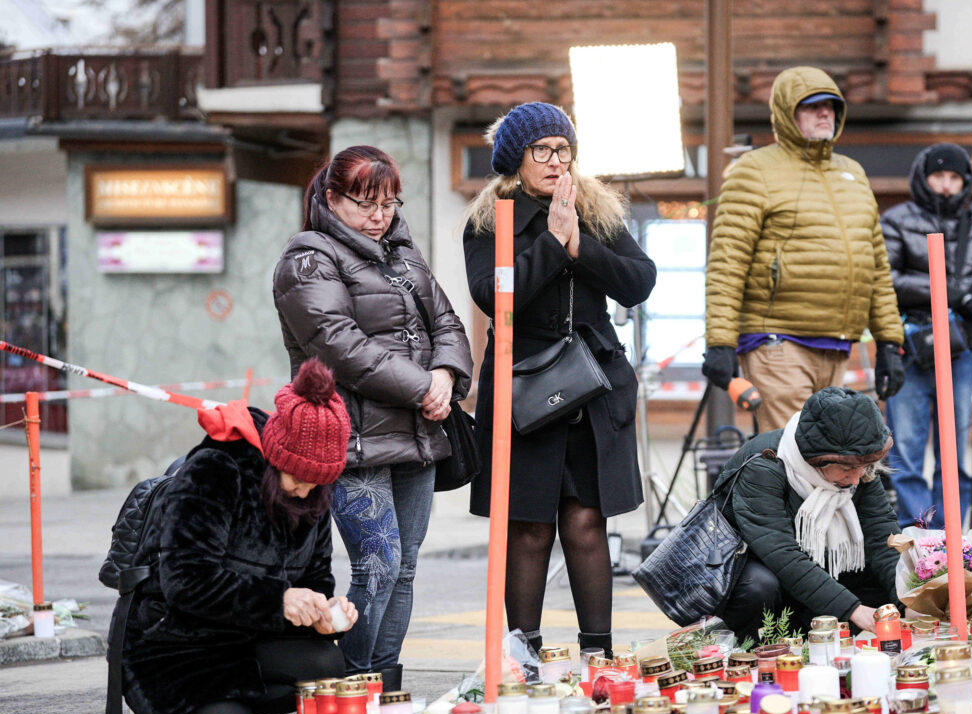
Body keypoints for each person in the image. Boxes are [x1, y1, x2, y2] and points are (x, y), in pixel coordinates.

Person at [461, 102, 656, 658]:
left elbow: (640, 281)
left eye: (562, 149)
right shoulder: (488, 219)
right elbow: (493, 295)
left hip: (593, 387)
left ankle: (599, 653)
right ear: (515, 159)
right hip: (525, 391)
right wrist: (550, 242)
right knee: (527, 528)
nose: (553, 160)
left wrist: (579, 245)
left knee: (587, 521)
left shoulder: (595, 209)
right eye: (539, 150)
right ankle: (524, 656)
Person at [273, 146, 473, 678]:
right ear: (331, 198)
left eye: (388, 203)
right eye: (365, 204)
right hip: (354, 440)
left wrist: (447, 378)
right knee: (378, 567)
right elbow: (339, 345)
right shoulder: (309, 258)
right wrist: (422, 388)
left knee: (404, 570)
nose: (379, 216)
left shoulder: (404, 252)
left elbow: (448, 323)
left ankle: (383, 682)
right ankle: (349, 681)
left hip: (418, 434)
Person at [122, 358, 357, 714]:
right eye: (297, 478)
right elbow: (184, 580)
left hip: (246, 638)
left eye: (319, 482)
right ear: (275, 456)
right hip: (178, 645)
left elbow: (316, 576)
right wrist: (278, 599)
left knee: (328, 665)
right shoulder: (215, 468)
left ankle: (225, 710)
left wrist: (321, 614)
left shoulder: (313, 495)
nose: (306, 490)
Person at [702, 66, 906, 430]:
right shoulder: (755, 169)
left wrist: (890, 343)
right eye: (812, 106)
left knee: (825, 458)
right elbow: (727, 263)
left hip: (837, 344)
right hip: (777, 341)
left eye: (831, 105)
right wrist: (719, 342)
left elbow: (875, 264)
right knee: (793, 454)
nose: (825, 112)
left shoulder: (853, 173)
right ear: (786, 113)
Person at [880, 143, 972, 529]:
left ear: (965, 181)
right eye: (938, 176)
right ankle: (920, 539)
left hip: (961, 352)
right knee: (903, 451)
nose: (945, 185)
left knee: (953, 452)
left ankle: (952, 538)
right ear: (923, 179)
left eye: (954, 177)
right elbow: (885, 279)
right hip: (909, 348)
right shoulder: (895, 220)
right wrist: (942, 290)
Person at [713, 386, 903, 642]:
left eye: (865, 467)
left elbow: (882, 536)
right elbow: (783, 556)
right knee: (759, 587)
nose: (858, 479)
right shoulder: (765, 464)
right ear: (819, 461)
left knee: (880, 579)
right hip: (755, 571)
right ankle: (753, 651)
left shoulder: (858, 461)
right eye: (848, 470)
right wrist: (853, 610)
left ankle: (820, 641)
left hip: (810, 568)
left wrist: (908, 599)